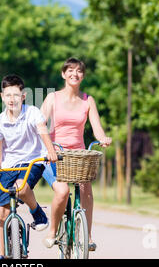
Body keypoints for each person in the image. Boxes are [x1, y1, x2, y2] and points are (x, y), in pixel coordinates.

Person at [40, 57, 111, 251]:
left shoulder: (88, 100)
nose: (74, 74)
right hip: (55, 154)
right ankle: (53, 231)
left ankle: (87, 236)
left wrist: (103, 138)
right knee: (62, 192)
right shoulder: (52, 98)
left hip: (78, 156)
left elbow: (97, 128)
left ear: (83, 76)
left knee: (86, 187)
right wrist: (48, 148)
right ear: (63, 74)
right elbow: (40, 124)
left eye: (79, 71)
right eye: (70, 70)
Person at [0, 74, 58, 259]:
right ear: (2, 96)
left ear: (23, 96)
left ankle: (37, 212)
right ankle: (0, 256)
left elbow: (43, 131)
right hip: (8, 167)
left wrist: (50, 151)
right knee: (0, 214)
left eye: (16, 95)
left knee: (21, 187)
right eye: (8, 95)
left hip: (32, 161)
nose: (12, 99)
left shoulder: (33, 112)